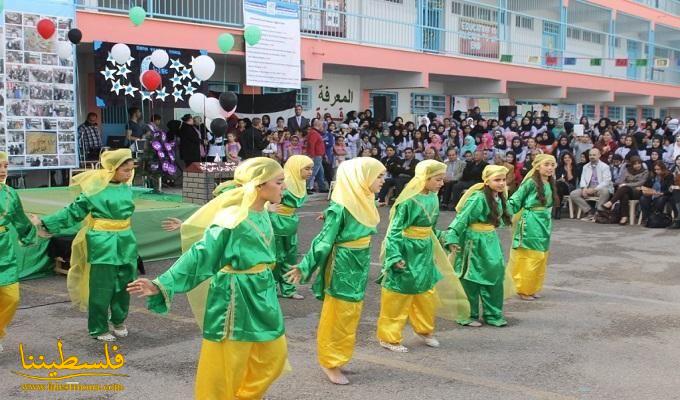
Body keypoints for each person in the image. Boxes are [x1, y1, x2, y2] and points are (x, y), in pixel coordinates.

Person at [128, 158, 288, 400]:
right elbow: (200, 255)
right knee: (226, 361)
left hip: (262, 290)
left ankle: (246, 394)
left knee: (273, 354)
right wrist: (162, 283)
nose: (284, 187)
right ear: (258, 185)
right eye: (279, 182)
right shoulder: (232, 219)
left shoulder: (262, 212)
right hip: (235, 294)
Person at [284, 157, 386, 385]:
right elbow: (323, 240)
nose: (383, 180)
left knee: (351, 312)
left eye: (382, 175)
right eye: (378, 175)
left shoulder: (365, 200)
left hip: (358, 263)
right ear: (361, 177)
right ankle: (329, 361)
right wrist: (305, 265)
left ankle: (339, 358)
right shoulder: (341, 207)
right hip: (343, 265)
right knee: (338, 313)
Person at [37, 149, 137, 341]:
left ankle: (118, 319)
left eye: (131, 169)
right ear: (113, 169)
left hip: (126, 239)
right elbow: (72, 212)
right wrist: (46, 223)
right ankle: (98, 327)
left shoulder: (126, 186)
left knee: (126, 282)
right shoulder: (94, 189)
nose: (129, 174)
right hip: (102, 241)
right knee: (102, 285)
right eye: (125, 170)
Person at [376, 160, 468, 353]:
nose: (442, 183)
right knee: (398, 294)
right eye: (438, 179)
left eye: (442, 179)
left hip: (425, 251)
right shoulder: (408, 201)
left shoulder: (433, 197)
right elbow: (394, 231)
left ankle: (424, 330)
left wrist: (446, 239)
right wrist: (394, 256)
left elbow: (431, 229)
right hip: (407, 250)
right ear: (424, 178)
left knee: (426, 293)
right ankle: (389, 337)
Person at [444, 165, 512, 327]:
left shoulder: (500, 197)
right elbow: (462, 218)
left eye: (503, 180)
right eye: (497, 180)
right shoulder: (478, 198)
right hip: (473, 241)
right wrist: (452, 236)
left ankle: (493, 314)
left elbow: (505, 214)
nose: (501, 183)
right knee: (470, 278)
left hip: (490, 239)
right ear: (487, 181)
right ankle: (468, 314)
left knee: (495, 275)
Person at [507, 154, 559, 301]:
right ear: (537, 166)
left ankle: (533, 287)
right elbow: (516, 200)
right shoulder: (530, 182)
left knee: (542, 256)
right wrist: (502, 212)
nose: (550, 168)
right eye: (546, 164)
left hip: (544, 222)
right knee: (531, 255)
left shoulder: (550, 183)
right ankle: (523, 289)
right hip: (531, 221)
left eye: (552, 165)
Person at [0, 152, 37, 352]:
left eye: (5, 166)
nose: (3, 170)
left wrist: (30, 234)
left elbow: (20, 220)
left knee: (12, 298)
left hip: (4, 251)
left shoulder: (9, 193)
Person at [270, 155, 314, 300]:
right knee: (276, 257)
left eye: (311, 168)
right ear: (296, 168)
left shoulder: (299, 182)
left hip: (290, 222)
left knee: (290, 256)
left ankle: (288, 289)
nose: (310, 172)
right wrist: (267, 207)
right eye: (306, 168)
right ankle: (271, 288)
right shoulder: (284, 182)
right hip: (277, 222)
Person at [569, 148, 613, 221]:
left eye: (594, 155)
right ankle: (589, 212)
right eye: (590, 155)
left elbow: (606, 181)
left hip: (600, 188)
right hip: (588, 187)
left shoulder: (605, 166)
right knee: (573, 194)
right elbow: (582, 179)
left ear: (599, 155)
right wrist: (584, 188)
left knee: (605, 191)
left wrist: (595, 189)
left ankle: (599, 212)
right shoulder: (585, 166)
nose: (592, 157)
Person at [602, 155, 648, 224]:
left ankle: (611, 202)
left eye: (639, 163)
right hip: (625, 191)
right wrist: (623, 184)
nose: (637, 165)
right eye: (635, 164)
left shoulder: (645, 172)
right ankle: (624, 217)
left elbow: (640, 183)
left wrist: (627, 184)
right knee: (624, 195)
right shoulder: (627, 170)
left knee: (625, 188)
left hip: (637, 192)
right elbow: (621, 181)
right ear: (631, 164)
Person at [639, 161, 674, 225]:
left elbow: (670, 189)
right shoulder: (652, 176)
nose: (656, 171)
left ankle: (656, 216)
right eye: (655, 169)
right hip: (653, 194)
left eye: (658, 169)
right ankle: (647, 218)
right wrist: (644, 189)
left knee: (660, 199)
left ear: (663, 169)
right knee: (643, 198)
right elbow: (646, 185)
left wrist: (661, 193)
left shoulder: (669, 175)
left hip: (664, 194)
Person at [306, 119, 329, 194]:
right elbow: (311, 145)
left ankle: (322, 187)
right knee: (313, 172)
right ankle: (307, 187)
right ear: (318, 126)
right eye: (322, 126)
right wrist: (312, 155)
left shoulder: (315, 133)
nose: (323, 128)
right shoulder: (314, 133)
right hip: (316, 156)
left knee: (320, 172)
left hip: (318, 155)